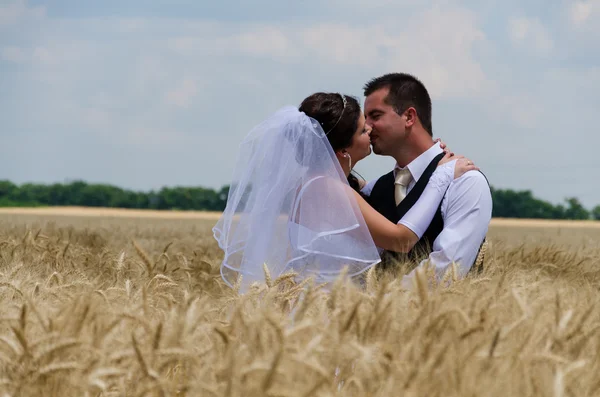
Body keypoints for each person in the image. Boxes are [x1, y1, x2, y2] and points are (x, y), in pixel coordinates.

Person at [213, 93, 478, 293]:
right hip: (328, 313)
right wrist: (442, 176)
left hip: (337, 307)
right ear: (342, 150)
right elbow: (402, 240)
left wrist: (429, 158)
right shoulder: (325, 189)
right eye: (363, 129)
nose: (371, 130)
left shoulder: (323, 183)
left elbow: (386, 188)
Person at [361, 73, 493, 286]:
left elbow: (448, 269)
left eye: (375, 116)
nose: (367, 126)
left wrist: (379, 302)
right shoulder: (375, 189)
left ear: (409, 117)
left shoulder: (466, 183)